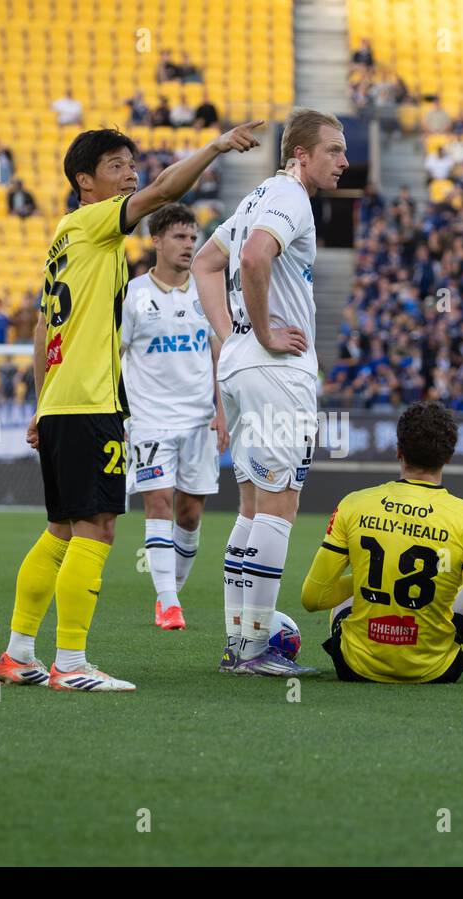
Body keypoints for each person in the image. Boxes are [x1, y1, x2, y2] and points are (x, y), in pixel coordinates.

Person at [0, 120, 263, 694]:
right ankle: (70, 663)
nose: (131, 173)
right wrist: (214, 146)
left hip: (66, 401)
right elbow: (165, 192)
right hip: (90, 404)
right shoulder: (94, 222)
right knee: (97, 527)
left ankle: (18, 653)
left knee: (61, 530)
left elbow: (44, 328)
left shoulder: (65, 237)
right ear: (84, 182)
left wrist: (43, 404)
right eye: (117, 165)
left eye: (131, 163)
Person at [191, 108, 349, 676]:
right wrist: (259, 331)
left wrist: (231, 334)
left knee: (254, 504)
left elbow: (207, 263)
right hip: (274, 370)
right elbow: (255, 256)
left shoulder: (255, 196)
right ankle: (256, 649)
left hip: (241, 368)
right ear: (300, 155)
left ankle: (240, 642)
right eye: (334, 150)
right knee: (280, 503)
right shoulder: (289, 196)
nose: (344, 161)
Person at [302, 402, 463, 683]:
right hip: (434, 669)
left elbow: (313, 598)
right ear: (449, 457)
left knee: (357, 587)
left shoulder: (354, 504)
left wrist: (370, 578)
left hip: (355, 665)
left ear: (399, 450)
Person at [120, 204, 227, 631]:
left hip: (199, 420)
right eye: (180, 237)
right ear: (156, 241)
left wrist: (222, 411)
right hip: (148, 420)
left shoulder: (206, 292)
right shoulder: (133, 295)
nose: (189, 245)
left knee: (189, 514)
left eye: (192, 237)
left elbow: (220, 350)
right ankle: (167, 602)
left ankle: (172, 592)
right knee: (159, 501)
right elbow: (116, 355)